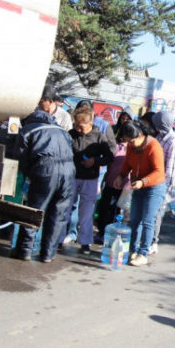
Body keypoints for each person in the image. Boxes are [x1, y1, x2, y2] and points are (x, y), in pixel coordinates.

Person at [13, 109, 75, 263]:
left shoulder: (28, 130)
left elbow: (20, 157)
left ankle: (24, 250)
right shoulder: (63, 131)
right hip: (69, 172)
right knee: (58, 214)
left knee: (35, 210)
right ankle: (48, 254)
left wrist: (29, 174)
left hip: (46, 170)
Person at [114, 120, 166, 267]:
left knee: (148, 221)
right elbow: (127, 164)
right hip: (137, 186)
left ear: (141, 134)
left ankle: (143, 253)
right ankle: (133, 251)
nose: (130, 144)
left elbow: (159, 172)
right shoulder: (131, 147)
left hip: (154, 187)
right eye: (127, 141)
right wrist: (121, 176)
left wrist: (143, 182)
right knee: (135, 219)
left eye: (132, 141)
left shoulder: (153, 146)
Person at [68, 107, 114, 255]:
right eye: (76, 125)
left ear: (90, 123)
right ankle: (62, 236)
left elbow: (110, 157)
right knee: (66, 209)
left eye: (81, 127)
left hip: (90, 179)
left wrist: (95, 161)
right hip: (72, 177)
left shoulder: (99, 137)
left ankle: (85, 242)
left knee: (86, 213)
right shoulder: (71, 134)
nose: (78, 129)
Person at [96, 107, 134, 240]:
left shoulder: (132, 147)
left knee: (118, 210)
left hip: (124, 183)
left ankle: (113, 234)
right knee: (104, 207)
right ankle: (102, 231)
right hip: (110, 179)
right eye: (123, 117)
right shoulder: (113, 141)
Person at [150, 110, 175, 255]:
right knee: (149, 213)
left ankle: (153, 242)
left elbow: (171, 168)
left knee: (156, 213)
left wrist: (166, 188)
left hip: (161, 184)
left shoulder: (173, 140)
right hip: (151, 180)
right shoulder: (159, 136)